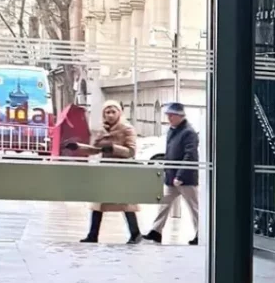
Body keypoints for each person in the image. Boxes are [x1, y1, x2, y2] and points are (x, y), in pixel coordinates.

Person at [77, 100, 141, 244]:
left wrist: (113, 148)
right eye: (107, 112)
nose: (110, 115)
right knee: (98, 203)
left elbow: (131, 151)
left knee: (126, 203)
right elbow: (95, 149)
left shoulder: (127, 129)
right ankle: (93, 235)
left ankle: (136, 234)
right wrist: (78, 147)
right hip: (106, 171)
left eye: (113, 112)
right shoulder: (102, 130)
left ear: (119, 113)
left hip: (121, 171)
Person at [144, 102, 199, 245]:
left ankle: (201, 233)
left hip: (185, 179)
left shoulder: (188, 132)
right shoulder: (172, 131)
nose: (169, 118)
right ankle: (156, 231)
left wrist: (180, 175)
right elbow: (170, 153)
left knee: (193, 207)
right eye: (168, 115)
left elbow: (190, 155)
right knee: (163, 203)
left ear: (180, 116)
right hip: (172, 177)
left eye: (172, 115)